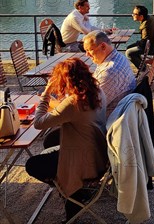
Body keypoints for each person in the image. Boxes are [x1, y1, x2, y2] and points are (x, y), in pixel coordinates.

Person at [25, 58, 108, 222]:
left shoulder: (74, 102)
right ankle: (74, 190)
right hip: (98, 153)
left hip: (83, 162)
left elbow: (39, 123)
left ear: (66, 80)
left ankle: (73, 192)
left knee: (32, 165)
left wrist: (46, 93)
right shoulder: (96, 91)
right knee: (50, 140)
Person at [83, 30, 136, 118]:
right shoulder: (119, 57)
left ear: (103, 46)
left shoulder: (108, 71)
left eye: (90, 50)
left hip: (108, 120)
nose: (87, 55)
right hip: (123, 111)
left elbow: (90, 108)